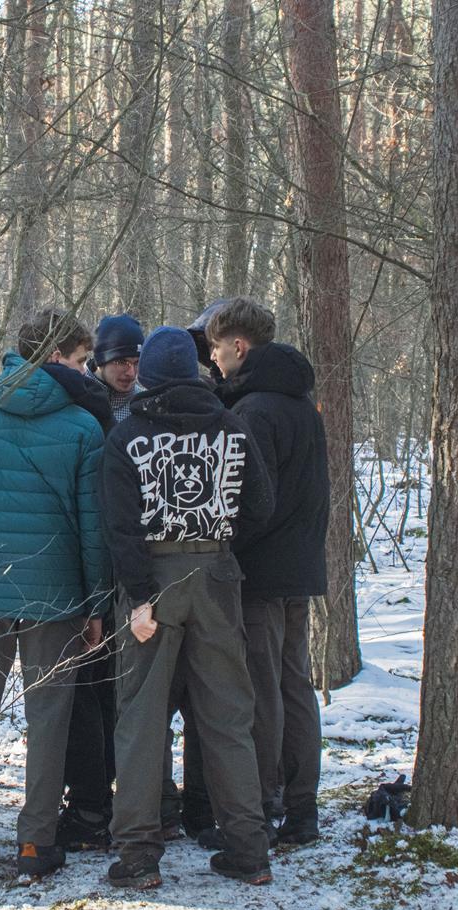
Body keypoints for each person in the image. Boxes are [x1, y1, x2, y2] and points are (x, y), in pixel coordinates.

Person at [0, 308, 110, 881]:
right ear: (55, 356)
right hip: (56, 596)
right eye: (80, 360)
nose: (85, 372)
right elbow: (92, 529)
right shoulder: (83, 427)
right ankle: (35, 843)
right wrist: (96, 605)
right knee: (49, 719)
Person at [99, 326, 275, 889]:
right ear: (195, 372)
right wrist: (218, 542)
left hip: (152, 580)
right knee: (228, 715)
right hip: (217, 575)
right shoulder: (231, 428)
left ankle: (137, 854)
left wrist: (138, 595)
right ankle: (248, 848)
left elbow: (119, 527)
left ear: (147, 374)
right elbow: (261, 506)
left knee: (141, 717)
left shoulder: (128, 436)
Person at [207, 297, 328, 846]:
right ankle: (302, 807)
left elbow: (253, 503)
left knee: (262, 688)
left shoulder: (254, 411)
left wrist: (225, 548)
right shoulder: (301, 404)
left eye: (216, 348)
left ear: (239, 346)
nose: (213, 360)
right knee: (294, 683)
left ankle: (259, 806)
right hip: (299, 568)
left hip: (260, 571)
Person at [55, 313, 143, 851]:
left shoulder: (149, 406)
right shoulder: (82, 405)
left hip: (129, 566)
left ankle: (128, 796)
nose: (128, 371)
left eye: (135, 361)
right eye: (118, 363)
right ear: (98, 364)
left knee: (120, 686)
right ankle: (91, 799)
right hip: (86, 563)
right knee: (87, 685)